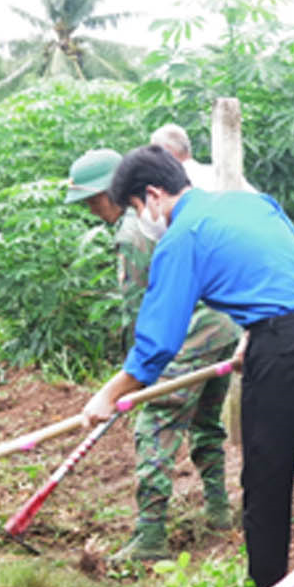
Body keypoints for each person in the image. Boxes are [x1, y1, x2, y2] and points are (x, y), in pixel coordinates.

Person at [80, 146, 294, 587]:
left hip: (285, 349)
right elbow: (287, 267)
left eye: (137, 209)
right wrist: (251, 333)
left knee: (266, 486)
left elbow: (157, 342)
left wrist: (107, 394)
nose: (142, 220)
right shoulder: (251, 203)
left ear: (153, 195)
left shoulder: (183, 236)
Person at [66, 148, 237, 563]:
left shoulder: (134, 232)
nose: (93, 211)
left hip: (188, 337)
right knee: (206, 422)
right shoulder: (160, 220)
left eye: (94, 201)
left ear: (116, 192)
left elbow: (144, 308)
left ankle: (150, 537)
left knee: (154, 424)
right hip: (225, 330)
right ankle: (219, 510)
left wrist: (130, 380)